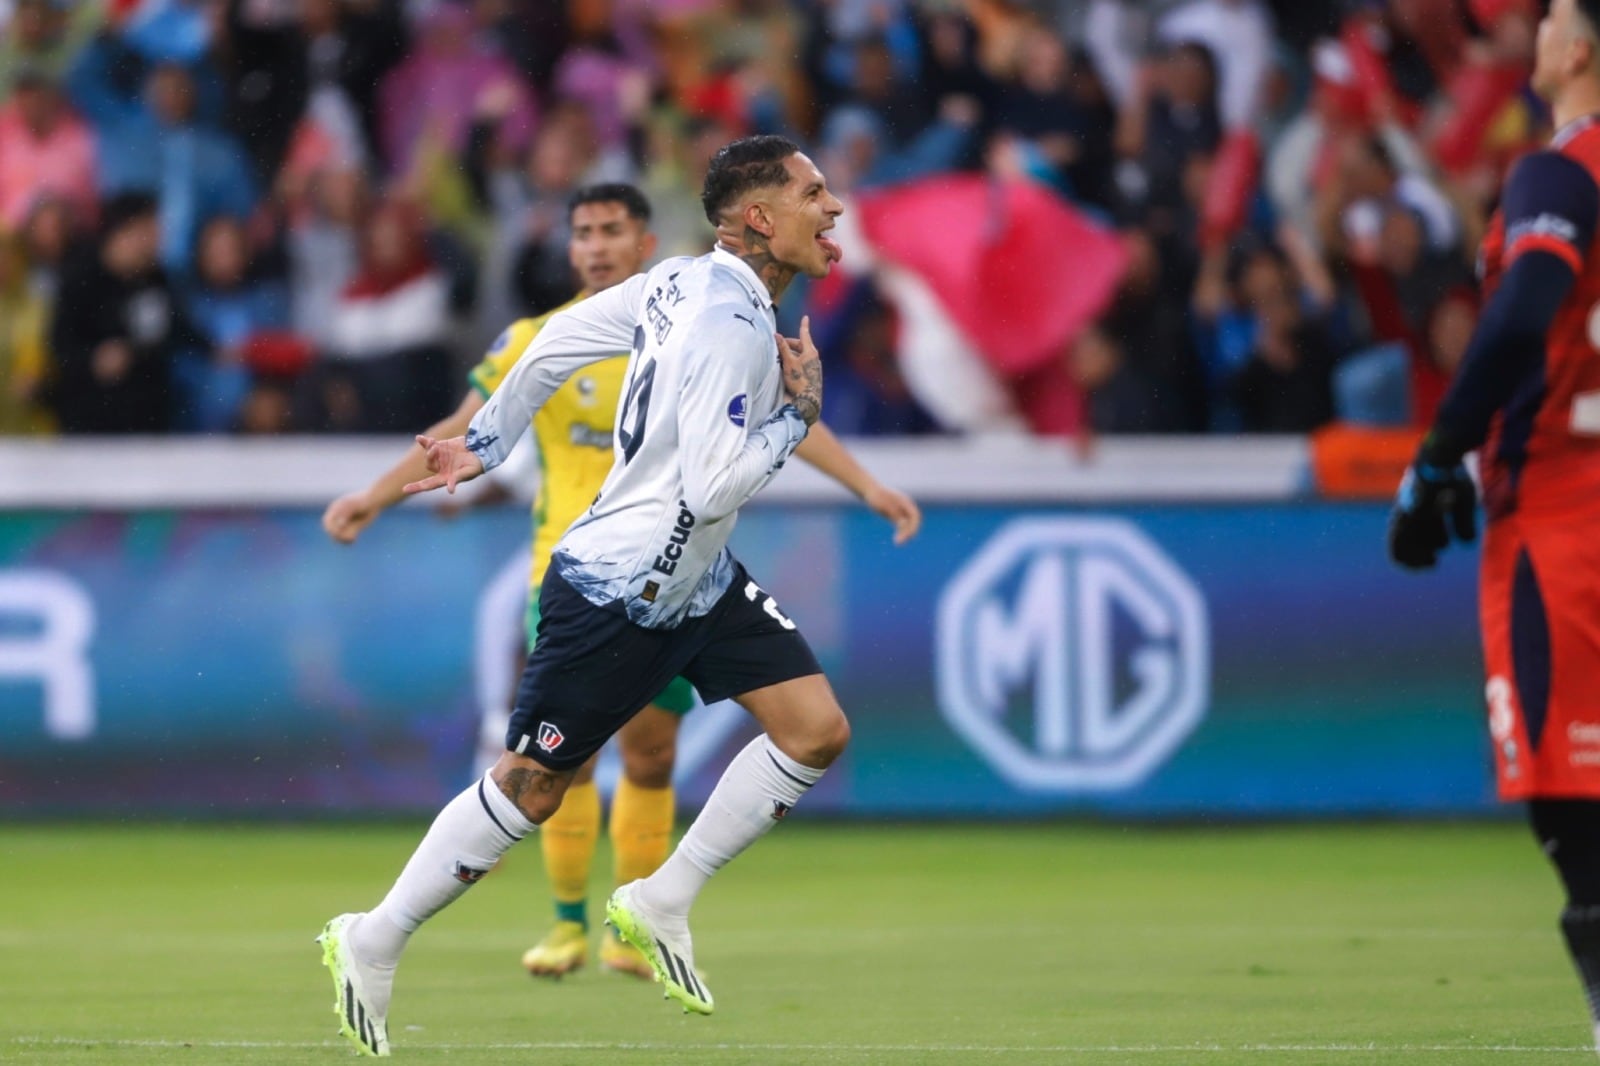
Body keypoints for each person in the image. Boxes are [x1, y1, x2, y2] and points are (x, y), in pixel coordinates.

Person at [318, 154, 915, 1055]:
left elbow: (551, 342)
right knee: (533, 788)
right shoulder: (727, 323)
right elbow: (715, 488)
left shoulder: (678, 281)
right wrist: (795, 417)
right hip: (619, 590)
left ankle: (659, 900)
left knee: (815, 730)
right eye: (810, 194)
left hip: (699, 583)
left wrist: (486, 440)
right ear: (757, 219)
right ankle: (373, 936)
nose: (833, 206)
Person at [1387, 0, 1600, 1053]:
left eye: (1550, 14)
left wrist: (1438, 456)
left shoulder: (1561, 172)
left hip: (1567, 515)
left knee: (1576, 811)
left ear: (1578, 47)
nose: (1533, 33)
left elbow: (1521, 316)